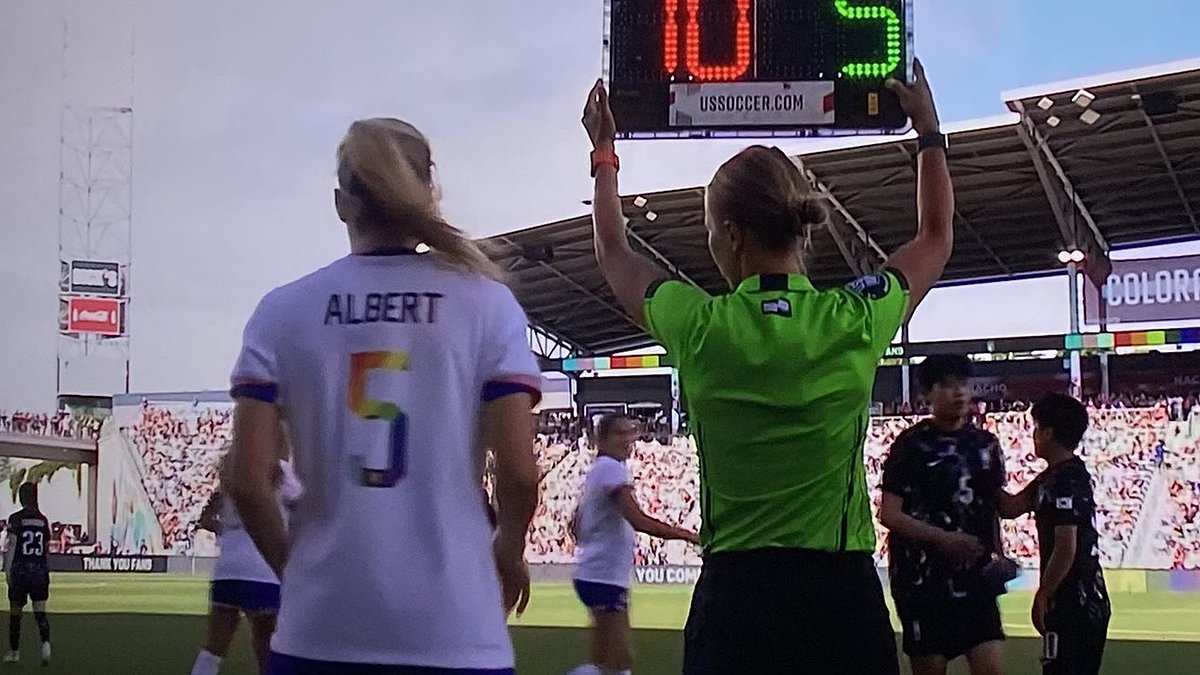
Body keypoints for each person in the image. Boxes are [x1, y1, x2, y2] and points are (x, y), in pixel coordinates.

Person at [581, 57, 953, 674]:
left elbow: (613, 250)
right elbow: (936, 236)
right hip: (842, 601)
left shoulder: (701, 326)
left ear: (731, 235)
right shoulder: (853, 318)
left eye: (707, 230)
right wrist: (929, 135)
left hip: (738, 603)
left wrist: (605, 154)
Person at [226, 117, 542, 674]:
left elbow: (248, 480)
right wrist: (509, 554)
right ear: (427, 193)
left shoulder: (281, 311)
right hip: (455, 632)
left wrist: (293, 573)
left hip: (318, 633)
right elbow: (517, 471)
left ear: (341, 203)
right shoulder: (488, 305)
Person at [879, 355, 1011, 675]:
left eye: (963, 384)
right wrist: (944, 540)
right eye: (948, 385)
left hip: (976, 580)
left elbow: (992, 506)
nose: (959, 393)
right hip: (922, 583)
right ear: (927, 393)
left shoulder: (986, 445)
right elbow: (889, 514)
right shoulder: (910, 446)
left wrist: (999, 555)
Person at [567, 415, 699, 675]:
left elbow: (575, 525)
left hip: (596, 574)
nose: (628, 439)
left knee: (606, 663)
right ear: (601, 439)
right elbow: (638, 520)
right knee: (619, 663)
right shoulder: (612, 470)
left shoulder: (599, 470)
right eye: (620, 433)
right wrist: (689, 535)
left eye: (631, 432)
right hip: (605, 576)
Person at [1000, 394, 1110, 675]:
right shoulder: (1051, 477)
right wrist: (981, 476)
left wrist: (1044, 593)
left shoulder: (1067, 479)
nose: (1033, 435)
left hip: (1077, 601)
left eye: (1036, 427)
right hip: (1073, 600)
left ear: (1048, 432)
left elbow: (1065, 547)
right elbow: (1011, 508)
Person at [191, 451, 303, 675]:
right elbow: (302, 504)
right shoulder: (280, 472)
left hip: (227, 568)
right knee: (265, 648)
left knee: (214, 647)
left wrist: (229, 533)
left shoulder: (228, 485)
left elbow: (205, 521)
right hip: (262, 569)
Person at [4, 483, 52, 665]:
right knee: (40, 612)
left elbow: (12, 545)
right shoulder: (42, 519)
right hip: (39, 570)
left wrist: (7, 570)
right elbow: (46, 549)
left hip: (21, 570)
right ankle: (45, 646)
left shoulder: (16, 518)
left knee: (16, 613)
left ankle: (14, 652)